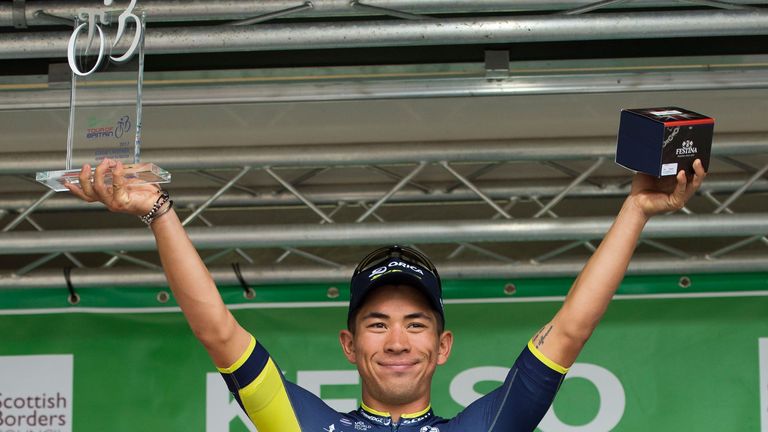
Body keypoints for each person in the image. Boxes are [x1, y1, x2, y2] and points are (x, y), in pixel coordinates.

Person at [66, 158, 706, 431]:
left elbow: (569, 332)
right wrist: (159, 212)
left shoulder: (484, 428)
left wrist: (636, 210)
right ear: (348, 345)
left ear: (443, 345)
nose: (397, 340)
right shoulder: (306, 425)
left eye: (415, 324)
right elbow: (219, 334)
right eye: (377, 324)